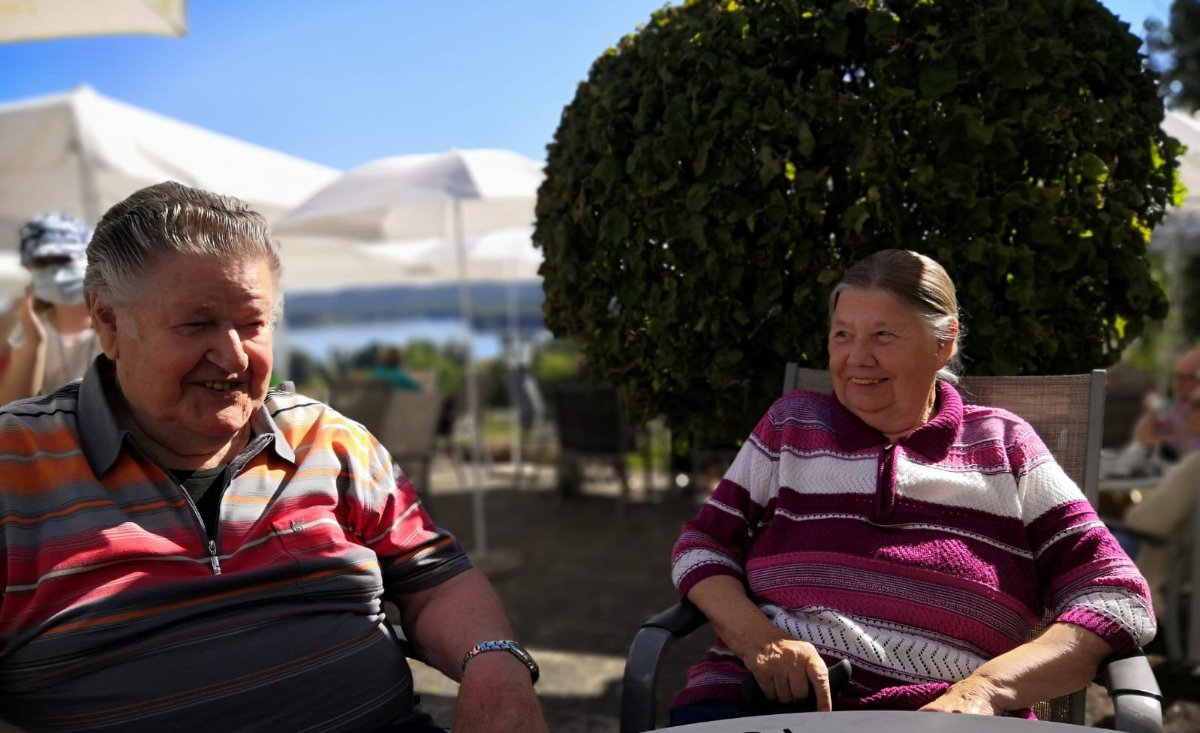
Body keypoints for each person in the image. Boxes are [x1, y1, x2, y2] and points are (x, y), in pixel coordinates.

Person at [0, 182, 547, 733]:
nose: (233, 356)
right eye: (197, 324)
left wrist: (496, 667)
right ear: (110, 323)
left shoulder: (330, 439)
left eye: (253, 323)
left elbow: (437, 581)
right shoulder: (15, 465)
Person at [668, 249, 1155, 725]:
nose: (858, 358)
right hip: (765, 704)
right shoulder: (791, 426)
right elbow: (703, 545)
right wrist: (761, 641)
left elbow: (1115, 595)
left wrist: (986, 690)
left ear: (944, 343)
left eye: (883, 335)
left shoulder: (1006, 446)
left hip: (939, 718)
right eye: (842, 334)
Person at [0, 212, 103, 405]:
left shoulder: (115, 321)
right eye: (41, 264)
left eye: (63, 260)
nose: (54, 273)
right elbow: (10, 408)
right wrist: (34, 344)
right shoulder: (25, 326)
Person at [1129, 347, 1200, 463]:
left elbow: (1194, 426)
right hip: (1174, 466)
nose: (1177, 385)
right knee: (1135, 451)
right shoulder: (1177, 406)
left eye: (1185, 378)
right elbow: (1144, 438)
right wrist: (1152, 410)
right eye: (1176, 377)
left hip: (1192, 468)